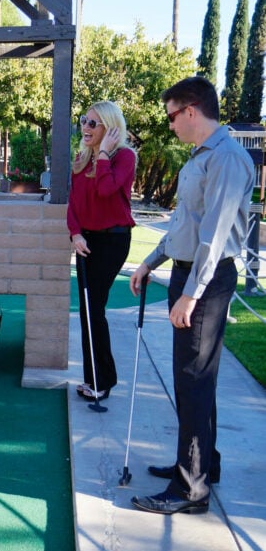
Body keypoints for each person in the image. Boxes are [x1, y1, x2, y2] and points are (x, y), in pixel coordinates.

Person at [129, 76, 254, 515]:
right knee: (194, 379)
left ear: (192, 110)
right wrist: (151, 262)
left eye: (171, 116)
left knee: (194, 381)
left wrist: (191, 295)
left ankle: (190, 490)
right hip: (188, 275)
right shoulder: (202, 157)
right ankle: (201, 465)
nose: (170, 126)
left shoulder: (227, 159)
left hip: (207, 280)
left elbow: (215, 235)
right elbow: (186, 222)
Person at [67, 100, 137, 401]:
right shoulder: (82, 159)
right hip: (87, 241)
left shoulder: (124, 157)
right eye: (84, 120)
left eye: (93, 123)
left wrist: (105, 153)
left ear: (109, 129)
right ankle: (94, 378)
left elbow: (106, 190)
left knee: (94, 308)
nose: (85, 127)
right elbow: (73, 204)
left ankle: (102, 381)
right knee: (87, 309)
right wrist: (75, 234)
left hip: (113, 241)